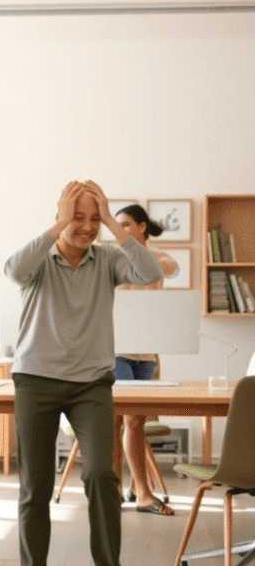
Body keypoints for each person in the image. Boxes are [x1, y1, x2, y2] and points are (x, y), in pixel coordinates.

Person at [4, 180, 162, 566]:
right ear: (59, 215)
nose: (87, 227)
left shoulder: (108, 259)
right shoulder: (39, 261)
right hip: (35, 379)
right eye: (79, 217)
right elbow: (14, 269)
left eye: (95, 219)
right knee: (35, 486)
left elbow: (151, 271)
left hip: (91, 383)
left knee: (101, 474)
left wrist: (113, 221)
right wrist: (62, 222)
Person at [112, 204, 179, 515]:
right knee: (120, 419)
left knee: (136, 421)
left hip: (147, 353)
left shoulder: (159, 258)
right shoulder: (113, 257)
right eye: (117, 225)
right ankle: (125, 491)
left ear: (141, 227)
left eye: (126, 224)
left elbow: (171, 268)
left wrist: (137, 251)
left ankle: (139, 491)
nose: (120, 230)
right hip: (116, 350)